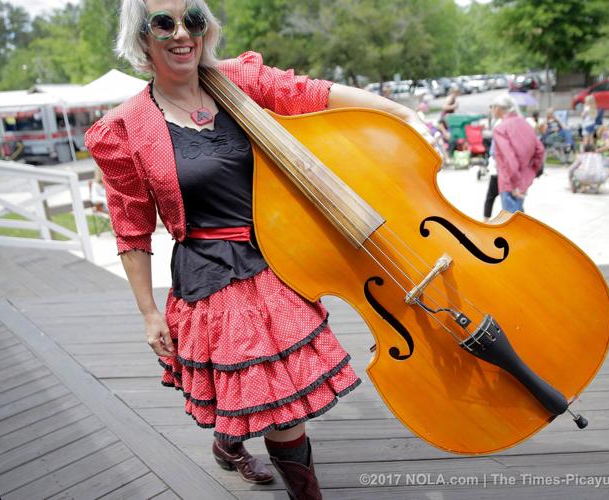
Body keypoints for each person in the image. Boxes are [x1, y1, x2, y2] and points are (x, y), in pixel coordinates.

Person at [85, 1, 436, 498]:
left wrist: (400, 112)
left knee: (279, 393)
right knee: (267, 390)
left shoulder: (238, 81)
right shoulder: (125, 129)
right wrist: (148, 313)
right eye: (163, 23)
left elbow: (313, 94)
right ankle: (257, 462)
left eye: (194, 21)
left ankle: (237, 449)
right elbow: (132, 231)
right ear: (142, 39)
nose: (182, 33)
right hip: (208, 274)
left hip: (277, 259)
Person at [489, 94, 544, 214]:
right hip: (523, 179)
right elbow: (539, 150)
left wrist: (515, 184)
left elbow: (510, 158)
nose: (491, 110)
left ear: (499, 108)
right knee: (519, 218)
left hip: (510, 182)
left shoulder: (500, 129)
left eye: (492, 107)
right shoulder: (525, 123)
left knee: (511, 223)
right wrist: (531, 171)